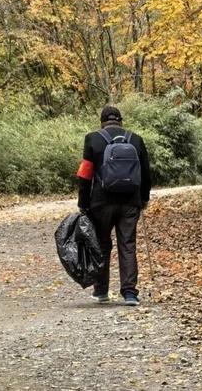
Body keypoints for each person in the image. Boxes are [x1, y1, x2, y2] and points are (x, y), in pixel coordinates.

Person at [77, 105, 151, 306]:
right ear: (120, 121)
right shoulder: (135, 140)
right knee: (127, 245)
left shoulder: (92, 139)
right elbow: (146, 172)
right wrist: (143, 199)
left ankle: (101, 291)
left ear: (102, 122)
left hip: (101, 202)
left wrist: (83, 204)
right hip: (130, 202)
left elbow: (85, 175)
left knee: (101, 244)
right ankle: (130, 293)